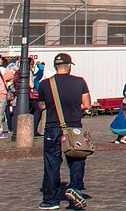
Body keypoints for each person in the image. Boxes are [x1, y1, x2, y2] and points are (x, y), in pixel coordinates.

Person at [38, 52, 92, 211]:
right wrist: (75, 107)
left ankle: (50, 200)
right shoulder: (79, 82)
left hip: (53, 127)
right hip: (74, 127)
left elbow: (42, 106)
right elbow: (87, 105)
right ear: (68, 66)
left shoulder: (45, 84)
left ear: (56, 66)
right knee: (77, 159)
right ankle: (75, 188)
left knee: (51, 163)